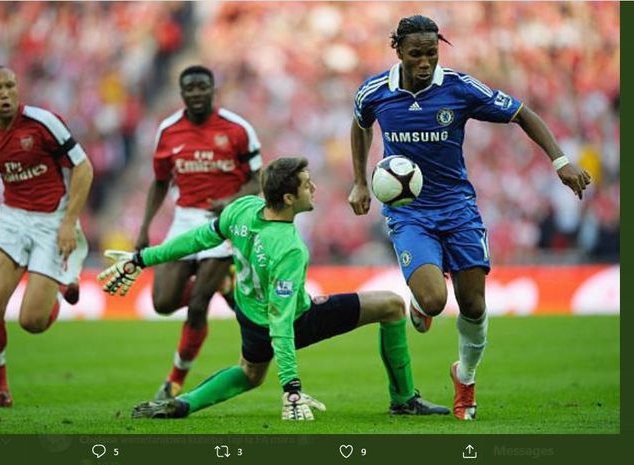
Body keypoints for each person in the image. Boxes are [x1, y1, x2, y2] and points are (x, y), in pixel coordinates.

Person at [347, 15, 592, 421]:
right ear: (399, 52)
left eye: (431, 53)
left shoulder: (459, 88)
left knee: (474, 304)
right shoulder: (374, 92)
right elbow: (360, 126)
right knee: (433, 299)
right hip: (410, 212)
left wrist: (561, 161)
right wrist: (359, 181)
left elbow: (522, 113)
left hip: (458, 208)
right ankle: (422, 300)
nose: (425, 62)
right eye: (416, 54)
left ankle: (465, 375)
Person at [99, 157, 449, 420]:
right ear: (288, 197)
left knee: (250, 374)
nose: (314, 189)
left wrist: (142, 258)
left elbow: (197, 239)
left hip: (249, 314)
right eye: (307, 184)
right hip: (287, 320)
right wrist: (292, 388)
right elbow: (282, 323)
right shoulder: (289, 248)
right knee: (390, 306)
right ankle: (404, 400)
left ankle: (185, 402)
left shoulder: (243, 209)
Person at [0, 65, 93, 408]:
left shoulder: (44, 123)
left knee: (32, 322)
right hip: (13, 219)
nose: (5, 94)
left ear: (18, 88)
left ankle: (58, 288)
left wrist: (68, 222)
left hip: (52, 219)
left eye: (10, 85)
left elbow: (83, 167)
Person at [135, 65, 263, 401]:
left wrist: (233, 202)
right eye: (189, 88)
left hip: (222, 224)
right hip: (184, 219)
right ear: (181, 93)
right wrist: (144, 228)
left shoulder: (237, 129)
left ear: (212, 89)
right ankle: (221, 281)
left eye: (201, 87)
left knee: (197, 305)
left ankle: (174, 381)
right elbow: (160, 181)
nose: (195, 93)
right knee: (162, 302)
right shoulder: (169, 131)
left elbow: (257, 179)